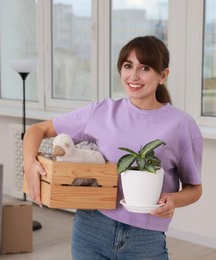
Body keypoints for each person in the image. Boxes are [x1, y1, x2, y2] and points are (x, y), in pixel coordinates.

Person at [23, 35, 203, 259]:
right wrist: (29, 164)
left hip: (145, 237)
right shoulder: (101, 112)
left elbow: (194, 188)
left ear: (163, 75)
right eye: (128, 66)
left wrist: (174, 199)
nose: (134, 76)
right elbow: (37, 130)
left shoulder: (181, 125)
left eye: (145, 68)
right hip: (91, 227)